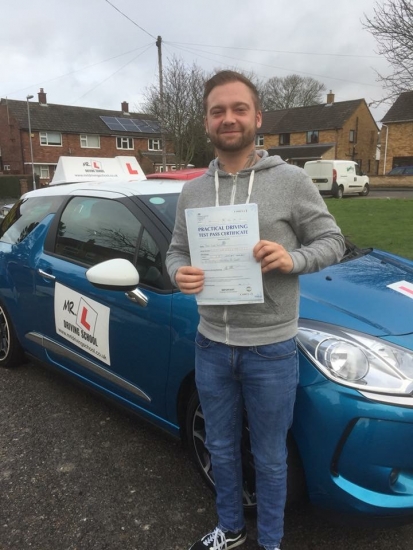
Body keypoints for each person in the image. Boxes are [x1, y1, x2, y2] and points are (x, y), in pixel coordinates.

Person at [166, 70, 345, 550]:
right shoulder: (193, 191)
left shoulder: (289, 181)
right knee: (220, 447)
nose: (229, 118)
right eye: (218, 110)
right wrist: (177, 273)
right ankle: (231, 528)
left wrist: (292, 259)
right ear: (206, 121)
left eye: (238, 109)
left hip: (271, 348)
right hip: (211, 343)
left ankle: (271, 542)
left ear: (257, 117)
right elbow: (175, 251)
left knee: (269, 457)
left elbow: (332, 241)